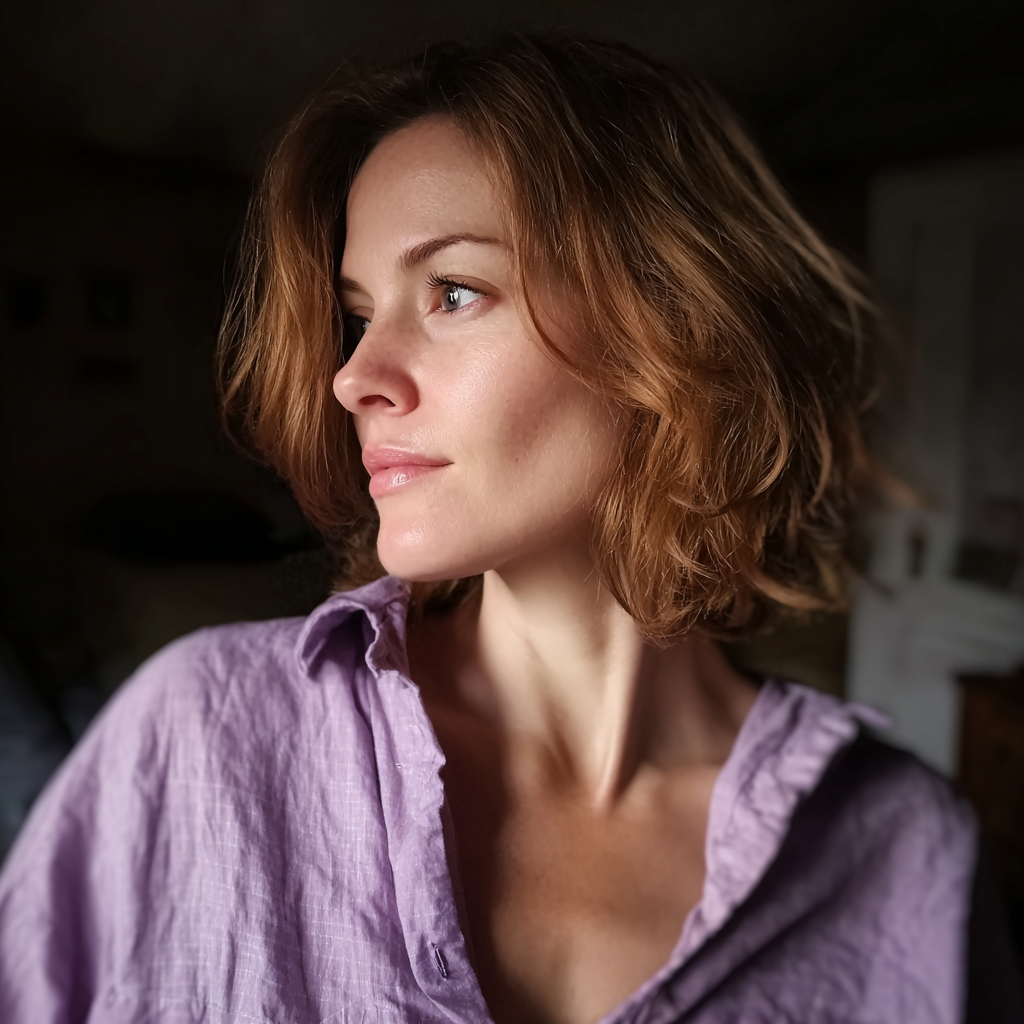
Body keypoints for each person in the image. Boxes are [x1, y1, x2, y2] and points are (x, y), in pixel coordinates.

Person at [0, 35, 1019, 1024]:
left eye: (452, 291)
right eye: (359, 312)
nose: (353, 376)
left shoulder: (904, 854)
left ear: (675, 323)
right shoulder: (199, 735)